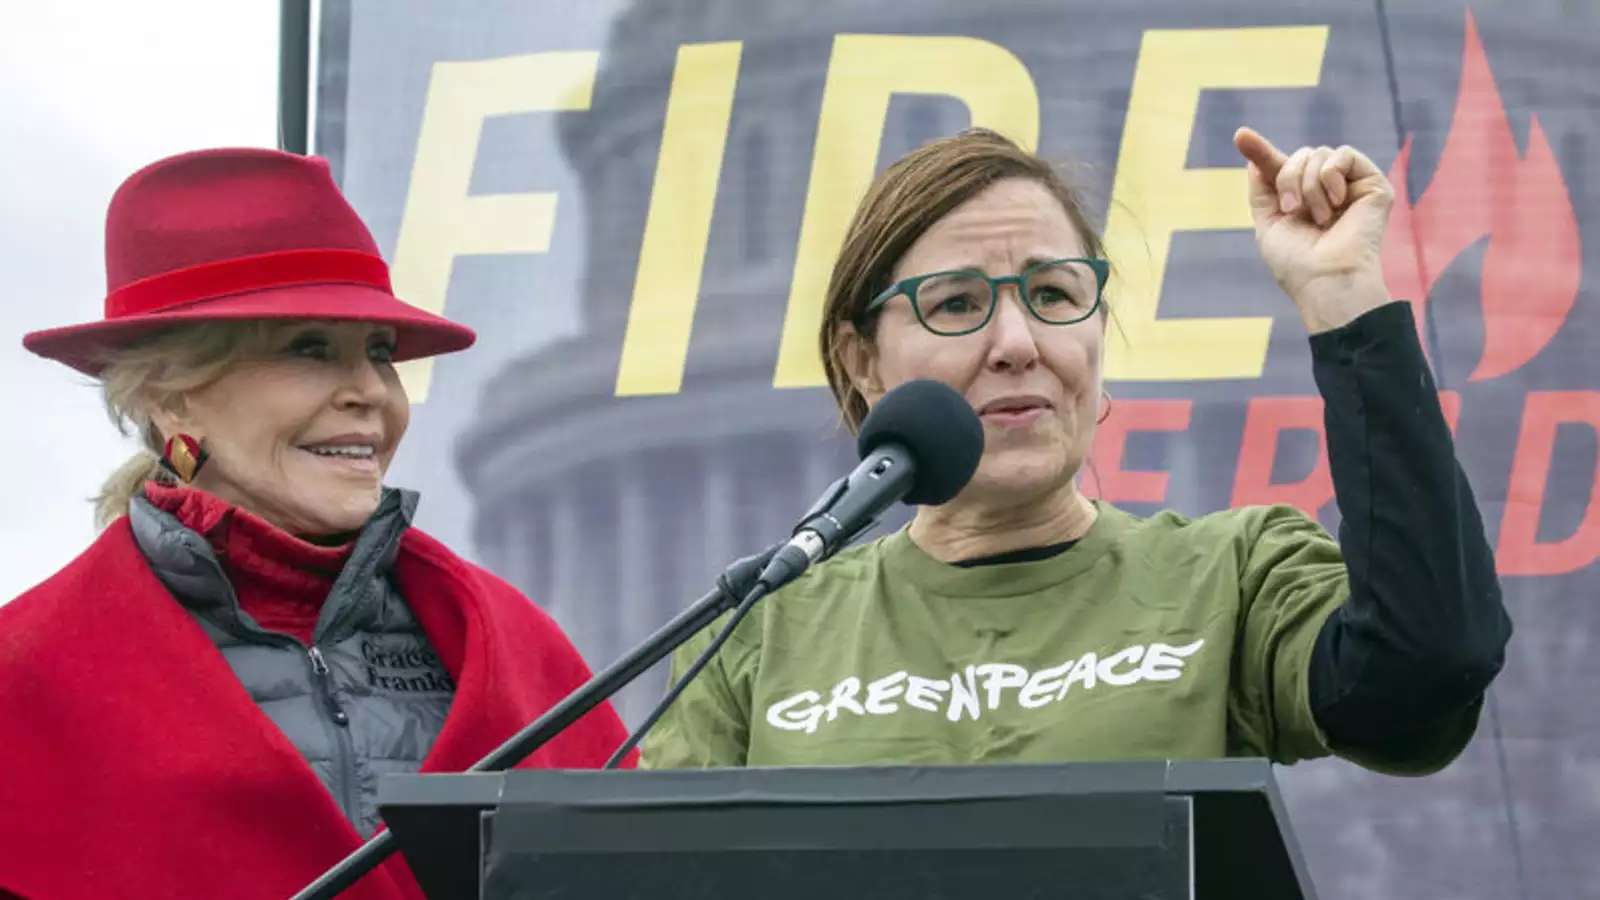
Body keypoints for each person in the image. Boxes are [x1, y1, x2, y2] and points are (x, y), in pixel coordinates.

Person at [641, 127, 1511, 774]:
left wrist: (1346, 301)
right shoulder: (759, 633)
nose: (1018, 342)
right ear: (859, 360)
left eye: (1055, 293)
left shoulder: (1233, 577)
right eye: (955, 304)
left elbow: (1423, 674)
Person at [0, 148, 631, 900]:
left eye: (379, 353)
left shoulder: (522, 647)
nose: (370, 391)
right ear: (173, 398)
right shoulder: (27, 671)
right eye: (309, 350)